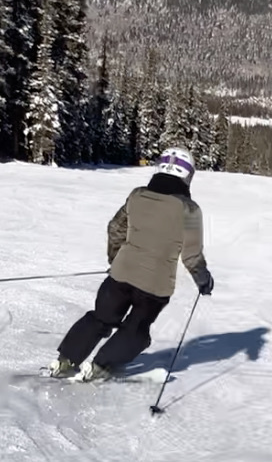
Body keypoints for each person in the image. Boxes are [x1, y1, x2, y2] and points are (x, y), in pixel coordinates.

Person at [47, 146, 214, 381]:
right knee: (136, 329)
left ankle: (66, 359)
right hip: (155, 286)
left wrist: (115, 259)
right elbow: (192, 254)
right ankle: (101, 365)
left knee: (100, 318)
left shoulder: (137, 195)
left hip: (119, 276)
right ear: (187, 176)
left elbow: (115, 228)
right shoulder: (190, 210)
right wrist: (203, 279)